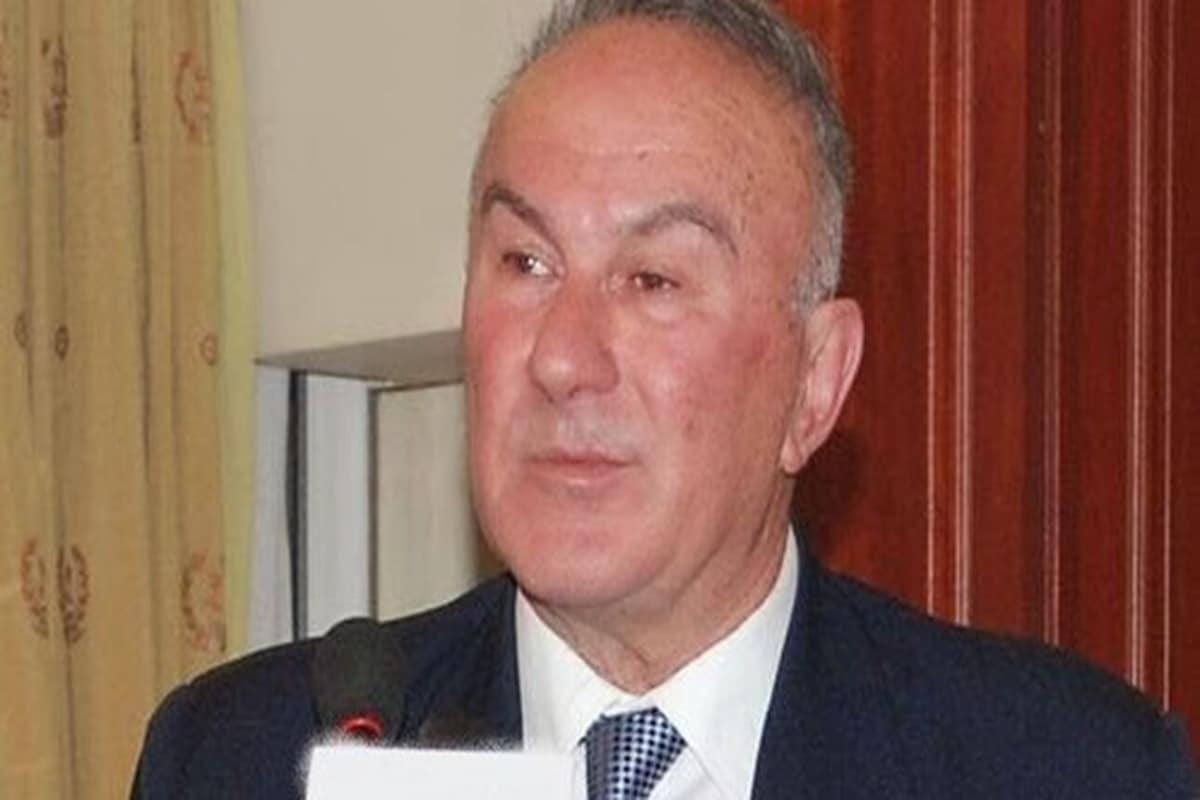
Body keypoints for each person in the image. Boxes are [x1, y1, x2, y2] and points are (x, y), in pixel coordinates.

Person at [131, 1, 1199, 797]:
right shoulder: (250, 758)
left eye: (652, 280)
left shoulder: (1063, 769)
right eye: (526, 262)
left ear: (815, 384)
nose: (562, 359)